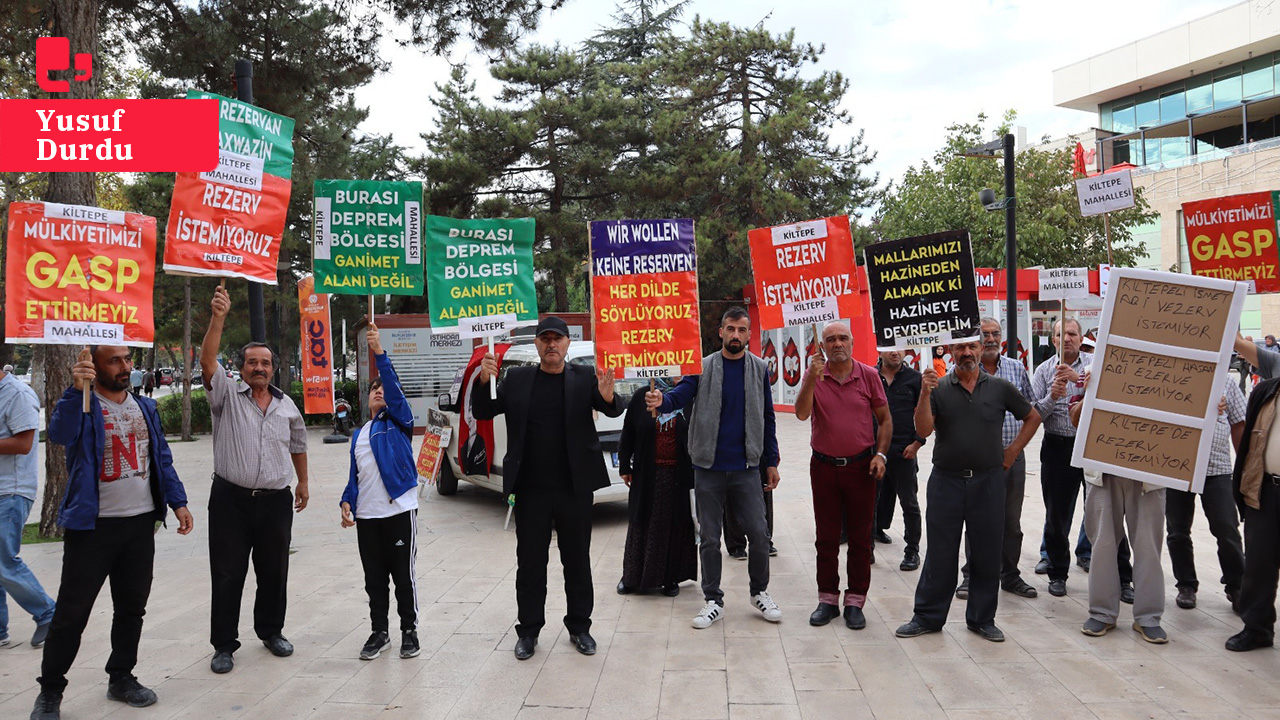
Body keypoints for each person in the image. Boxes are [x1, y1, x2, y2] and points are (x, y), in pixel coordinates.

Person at [30, 346, 194, 720]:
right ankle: (50, 691)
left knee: (131, 609)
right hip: (93, 528)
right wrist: (75, 389)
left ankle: (121, 677)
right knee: (71, 614)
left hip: (139, 526)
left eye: (128, 359)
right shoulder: (84, 405)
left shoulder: (145, 407)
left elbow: (161, 458)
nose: (125, 367)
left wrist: (178, 502)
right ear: (97, 366)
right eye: (115, 361)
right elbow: (59, 433)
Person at [472, 316, 623, 660]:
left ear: (568, 344)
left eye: (558, 338)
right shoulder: (517, 378)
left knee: (577, 562)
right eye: (545, 338)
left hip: (574, 488)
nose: (551, 344)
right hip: (531, 490)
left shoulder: (584, 377)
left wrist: (609, 396)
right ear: (537, 344)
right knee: (530, 564)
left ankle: (580, 628)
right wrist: (484, 380)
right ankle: (528, 631)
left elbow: (612, 408)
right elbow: (483, 409)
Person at [895, 338, 1039, 643]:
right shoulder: (939, 388)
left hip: (988, 482)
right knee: (940, 552)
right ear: (950, 352)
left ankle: (982, 618)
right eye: (960, 348)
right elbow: (922, 430)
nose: (967, 353)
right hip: (946, 482)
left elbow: (1032, 416)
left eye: (972, 347)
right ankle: (928, 616)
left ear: (979, 349)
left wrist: (1013, 451)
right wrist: (924, 393)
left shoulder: (999, 387)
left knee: (987, 552)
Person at [646, 306, 782, 629]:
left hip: (747, 467)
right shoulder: (703, 367)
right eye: (730, 329)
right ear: (720, 332)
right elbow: (680, 395)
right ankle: (712, 600)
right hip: (708, 467)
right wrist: (661, 401)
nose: (736, 335)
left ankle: (759, 591)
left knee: (760, 535)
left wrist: (771, 461)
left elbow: (768, 418)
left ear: (749, 334)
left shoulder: (759, 369)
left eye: (742, 330)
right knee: (709, 537)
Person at [202, 285, 310, 675]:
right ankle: (223, 645)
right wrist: (218, 318)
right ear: (242, 367)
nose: (259, 368)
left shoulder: (286, 405)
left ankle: (271, 631)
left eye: (265, 362)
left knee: (274, 570)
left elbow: (298, 443)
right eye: (252, 363)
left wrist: (303, 483)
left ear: (273, 367)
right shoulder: (226, 396)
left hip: (275, 501)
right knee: (228, 573)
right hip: (230, 500)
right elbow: (207, 359)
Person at [795, 322, 891, 630]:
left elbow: (885, 419)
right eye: (830, 339)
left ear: (851, 342)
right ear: (822, 344)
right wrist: (811, 376)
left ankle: (855, 601)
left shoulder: (869, 376)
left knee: (861, 538)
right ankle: (827, 599)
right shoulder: (815, 376)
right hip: (823, 467)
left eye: (842, 338)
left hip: (861, 467)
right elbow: (801, 413)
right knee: (826, 537)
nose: (837, 343)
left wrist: (881, 453)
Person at [1031, 317, 1132, 599]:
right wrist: (1053, 395)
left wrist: (1081, 381)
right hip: (1057, 448)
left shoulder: (1095, 365)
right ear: (1053, 340)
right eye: (1061, 334)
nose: (1067, 339)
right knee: (1056, 515)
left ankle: (1124, 577)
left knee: (1108, 512)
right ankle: (1058, 574)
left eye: (1072, 334)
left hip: (1093, 447)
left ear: (1080, 337)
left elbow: (1114, 397)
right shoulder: (1042, 371)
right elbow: (1035, 414)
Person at [339, 326, 420, 661]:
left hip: (399, 512)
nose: (379, 391)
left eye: (383, 388)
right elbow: (354, 478)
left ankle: (409, 632)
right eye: (374, 388)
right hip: (368, 517)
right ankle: (379, 632)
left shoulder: (399, 422)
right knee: (374, 580)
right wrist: (346, 501)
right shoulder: (359, 434)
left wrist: (379, 354)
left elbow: (395, 393)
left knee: (403, 577)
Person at [1068, 395, 1168, 643]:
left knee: (1148, 547)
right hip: (1103, 470)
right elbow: (1076, 420)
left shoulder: (1167, 367)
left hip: (1150, 469)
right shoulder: (1099, 368)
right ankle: (1102, 613)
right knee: (1102, 545)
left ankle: (1149, 617)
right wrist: (1091, 391)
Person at [957, 319, 1038, 600]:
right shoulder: (966, 371)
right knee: (976, 520)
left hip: (1012, 459)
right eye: (985, 335)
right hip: (978, 462)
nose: (990, 339)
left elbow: (1032, 410)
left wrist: (1014, 450)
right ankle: (971, 575)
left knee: (1010, 522)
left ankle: (1010, 575)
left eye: (995, 334)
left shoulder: (1016, 368)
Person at [1166, 385, 1246, 611]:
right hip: (1176, 466)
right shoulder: (1172, 377)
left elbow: (1239, 423)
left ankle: (1237, 585)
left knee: (1227, 528)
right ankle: (1186, 585)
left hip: (1217, 468)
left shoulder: (1228, 382)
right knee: (1177, 531)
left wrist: (1243, 465)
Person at [616, 383, 697, 596]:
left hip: (679, 475)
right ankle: (631, 577)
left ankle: (671, 578)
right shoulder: (643, 395)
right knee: (641, 523)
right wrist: (625, 465)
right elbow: (629, 432)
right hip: (646, 473)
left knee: (675, 525)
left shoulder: (690, 396)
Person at [1224, 363, 1280, 651]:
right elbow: (1247, 442)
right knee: (1259, 563)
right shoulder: (1266, 391)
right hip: (1265, 489)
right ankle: (1257, 628)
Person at [0, 364, 55, 650]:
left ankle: (49, 613)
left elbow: (23, 443)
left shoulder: (17, 393)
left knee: (3, 561)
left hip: (11, 490)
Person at [875, 349, 924, 571]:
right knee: (869, 501)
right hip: (874, 452)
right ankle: (867, 547)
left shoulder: (915, 378)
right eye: (890, 347)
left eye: (899, 347)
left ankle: (912, 550)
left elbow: (927, 411)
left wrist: (917, 443)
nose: (895, 352)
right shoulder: (870, 376)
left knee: (909, 503)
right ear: (880, 349)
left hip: (904, 451)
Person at [724, 467, 776, 560]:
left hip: (758, 456)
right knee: (731, 494)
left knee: (764, 490)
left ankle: (765, 540)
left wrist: (772, 460)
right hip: (729, 458)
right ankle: (736, 543)